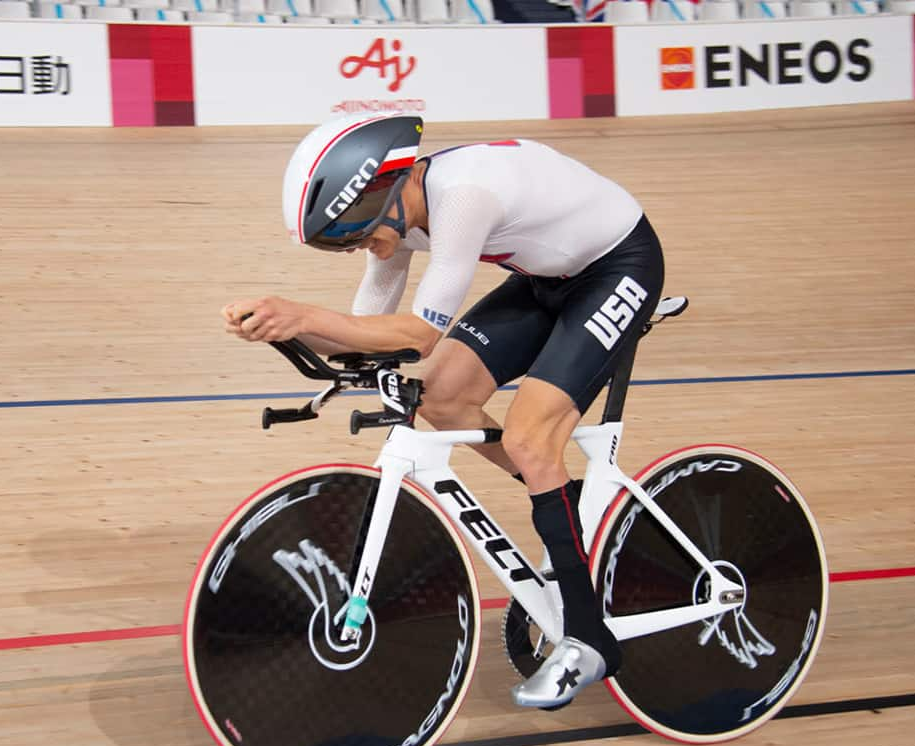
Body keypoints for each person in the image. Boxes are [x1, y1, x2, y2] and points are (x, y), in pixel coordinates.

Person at [221, 115, 664, 710]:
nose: (365, 247)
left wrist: (303, 315)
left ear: (387, 189)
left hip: (619, 266)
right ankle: (568, 506)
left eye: (361, 233)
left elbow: (418, 336)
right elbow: (371, 334)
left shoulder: (462, 198)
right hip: (546, 281)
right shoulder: (401, 212)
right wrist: (284, 332)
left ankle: (588, 638)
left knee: (534, 439)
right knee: (441, 396)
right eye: (349, 242)